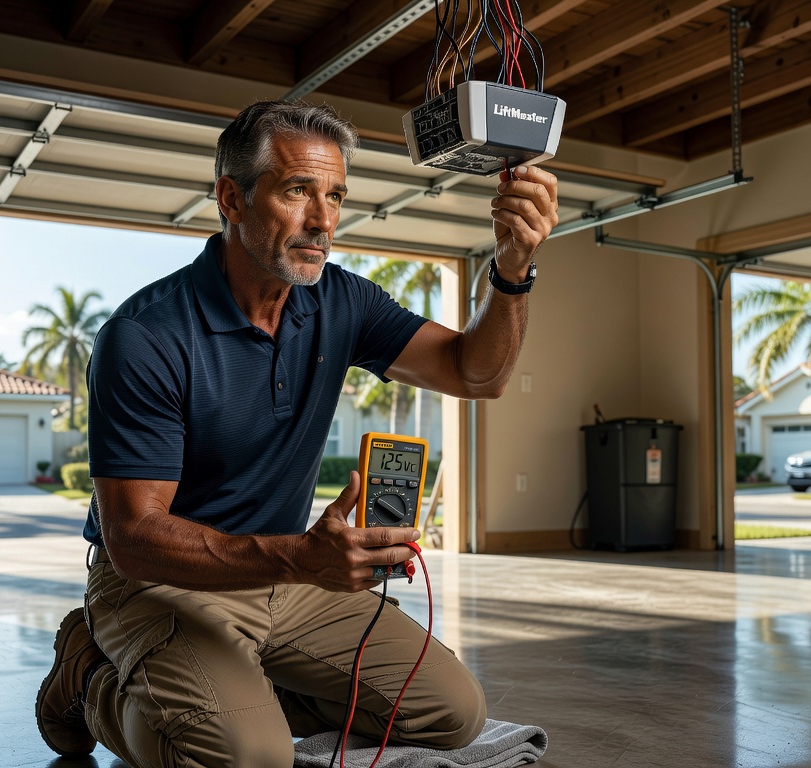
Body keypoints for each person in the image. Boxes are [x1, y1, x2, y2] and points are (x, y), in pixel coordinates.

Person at [35, 100, 559, 767]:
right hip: (157, 581)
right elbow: (135, 539)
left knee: (452, 713)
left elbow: (475, 375)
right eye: (296, 191)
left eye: (335, 195)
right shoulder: (146, 336)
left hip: (288, 578)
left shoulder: (341, 301)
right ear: (232, 197)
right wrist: (296, 557)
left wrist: (513, 272)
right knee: (250, 759)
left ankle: (231, 689)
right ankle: (89, 681)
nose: (323, 221)